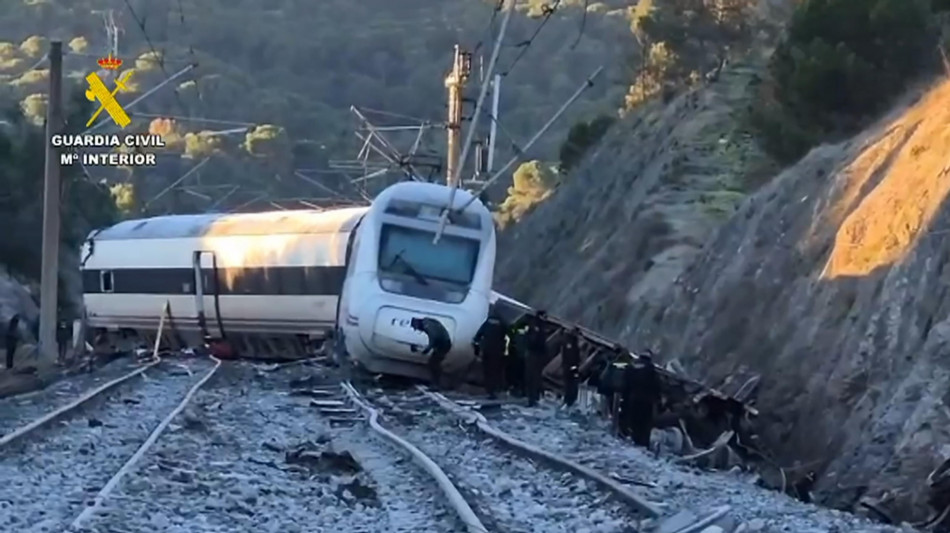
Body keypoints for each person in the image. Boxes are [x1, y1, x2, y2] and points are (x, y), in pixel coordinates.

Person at [626, 353, 661, 447]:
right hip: (646, 402)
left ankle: (634, 441)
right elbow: (657, 386)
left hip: (633, 400)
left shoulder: (631, 366)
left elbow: (626, 382)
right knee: (645, 426)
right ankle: (644, 444)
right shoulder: (650, 368)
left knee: (634, 424)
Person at [473, 308, 507, 398]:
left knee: (487, 371)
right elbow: (507, 337)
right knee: (496, 371)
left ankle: (489, 390)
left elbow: (478, 335)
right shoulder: (503, 323)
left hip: (487, 349)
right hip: (498, 351)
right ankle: (495, 390)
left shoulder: (487, 322)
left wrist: (477, 348)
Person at [411, 317, 452, 387]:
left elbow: (433, 338)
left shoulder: (427, 325)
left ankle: (437, 383)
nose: (419, 330)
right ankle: (436, 382)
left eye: (417, 328)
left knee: (433, 363)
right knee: (433, 363)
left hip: (444, 345)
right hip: (441, 344)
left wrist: (427, 349)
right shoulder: (427, 322)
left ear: (417, 324)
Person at [523, 310, 548, 407]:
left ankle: (534, 397)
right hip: (534, 353)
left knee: (535, 376)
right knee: (533, 377)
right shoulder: (536, 326)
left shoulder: (539, 325)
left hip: (535, 354)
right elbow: (534, 340)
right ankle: (532, 398)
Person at [560, 327, 581, 408]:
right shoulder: (570, 342)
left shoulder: (571, 341)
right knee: (570, 384)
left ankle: (569, 401)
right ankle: (569, 401)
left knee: (570, 384)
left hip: (570, 366)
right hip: (570, 366)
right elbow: (571, 355)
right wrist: (573, 366)